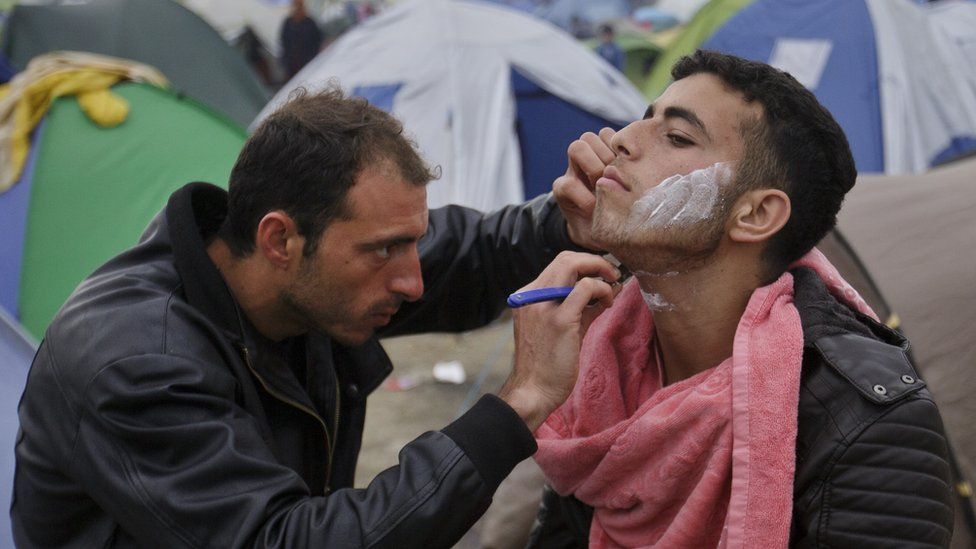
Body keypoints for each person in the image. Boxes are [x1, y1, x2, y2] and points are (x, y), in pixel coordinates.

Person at [11, 87, 620, 547]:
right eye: (384, 249)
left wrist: (566, 221)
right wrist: (518, 405)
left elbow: (471, 253)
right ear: (280, 239)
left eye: (412, 241)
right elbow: (284, 539)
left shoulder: (296, 274)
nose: (411, 281)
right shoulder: (137, 360)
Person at [520, 50, 955, 547]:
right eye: (644, 119)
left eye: (678, 137)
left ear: (755, 214)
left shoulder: (870, 424)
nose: (619, 139)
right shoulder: (601, 363)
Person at [279, 0, 323, 80]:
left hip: (308, 62)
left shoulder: (310, 22)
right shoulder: (288, 22)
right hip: (292, 65)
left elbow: (318, 40)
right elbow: (284, 42)